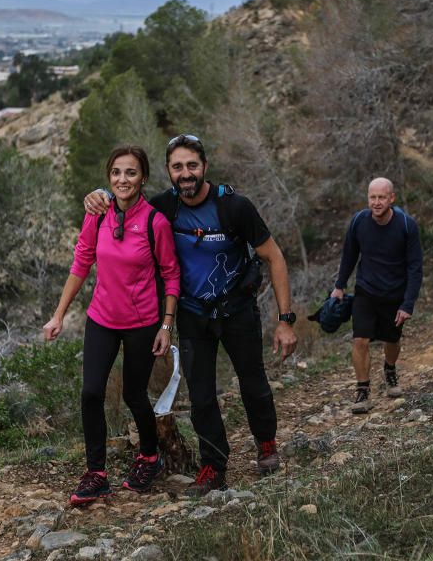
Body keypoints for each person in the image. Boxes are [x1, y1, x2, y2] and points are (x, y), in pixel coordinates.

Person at [84, 134, 298, 496]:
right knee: (200, 396)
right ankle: (214, 466)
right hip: (193, 313)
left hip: (237, 310)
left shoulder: (234, 206)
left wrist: (285, 319)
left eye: (192, 166)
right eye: (177, 167)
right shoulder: (164, 208)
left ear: (205, 167)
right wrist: (96, 195)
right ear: (168, 171)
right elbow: (122, 204)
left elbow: (274, 257)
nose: (186, 173)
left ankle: (266, 446)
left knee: (254, 383)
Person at [44, 145, 181, 506]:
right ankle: (96, 474)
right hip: (101, 318)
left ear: (143, 178)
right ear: (109, 177)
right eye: (116, 173)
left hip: (142, 323)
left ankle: (149, 457)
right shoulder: (98, 214)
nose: (123, 179)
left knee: (134, 394)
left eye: (131, 172)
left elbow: (170, 274)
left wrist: (166, 325)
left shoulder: (156, 223)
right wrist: (58, 314)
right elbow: (81, 261)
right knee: (91, 393)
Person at [331, 178, 423, 414]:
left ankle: (390, 369)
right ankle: (362, 390)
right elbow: (349, 255)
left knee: (391, 340)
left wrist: (407, 304)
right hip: (366, 292)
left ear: (392, 198)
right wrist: (340, 286)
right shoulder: (359, 222)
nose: (377, 202)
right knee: (359, 340)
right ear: (367, 198)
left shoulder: (406, 225)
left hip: (394, 294)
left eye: (382, 197)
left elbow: (415, 267)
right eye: (373, 197)